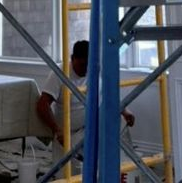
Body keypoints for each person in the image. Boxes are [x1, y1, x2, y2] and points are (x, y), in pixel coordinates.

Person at [35, 40, 135, 171]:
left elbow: (109, 93)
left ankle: (123, 166)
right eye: (82, 65)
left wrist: (125, 111)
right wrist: (56, 130)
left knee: (120, 121)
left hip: (92, 126)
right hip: (68, 134)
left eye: (89, 65)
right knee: (73, 175)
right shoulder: (59, 73)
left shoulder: (96, 69)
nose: (86, 69)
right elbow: (42, 105)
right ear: (72, 59)